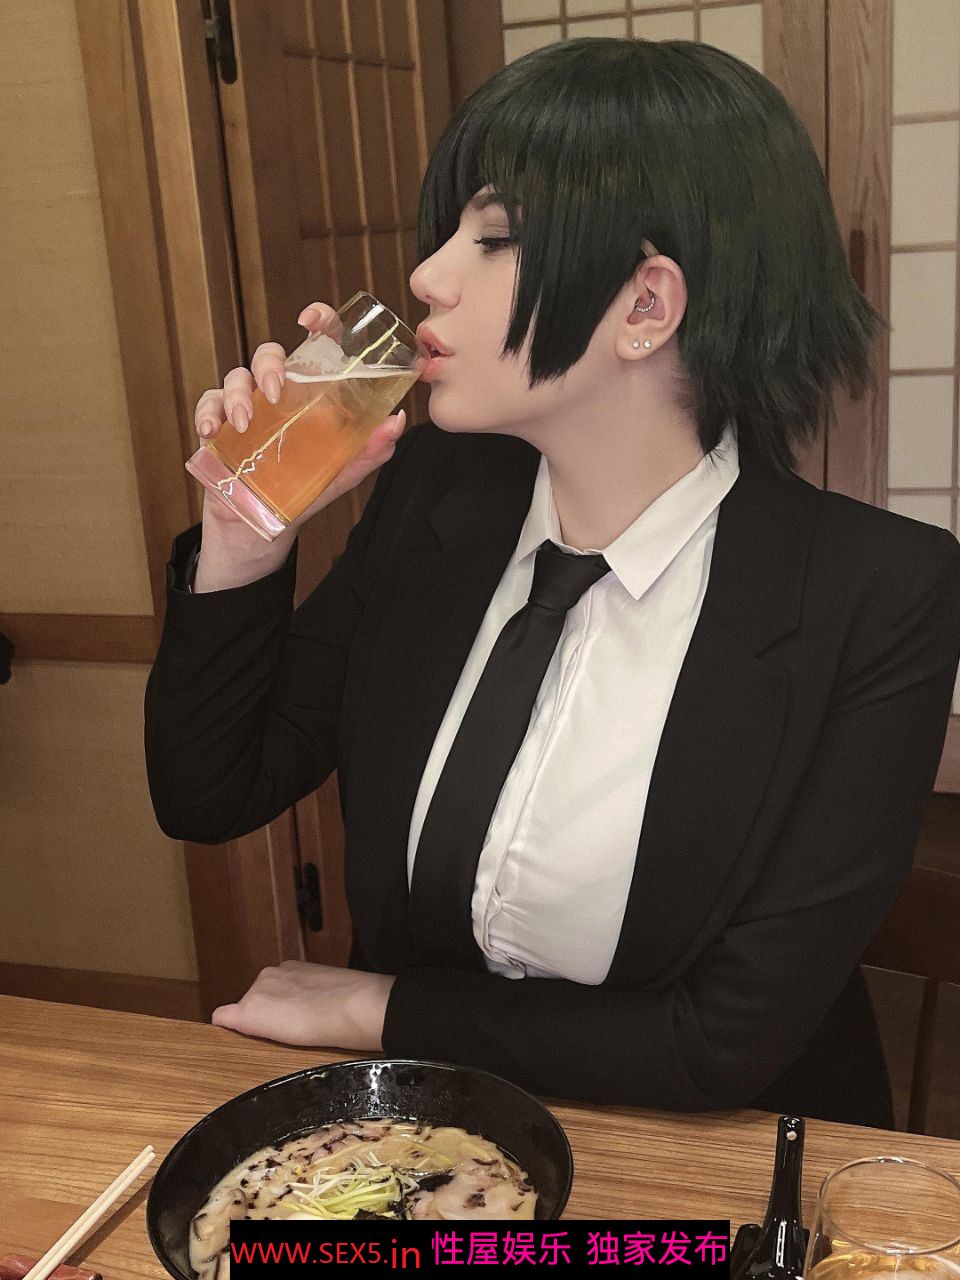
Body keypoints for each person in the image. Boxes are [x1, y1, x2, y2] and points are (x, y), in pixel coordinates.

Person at [145, 37, 960, 1127]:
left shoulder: (882, 594)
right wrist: (244, 535)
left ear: (645, 306)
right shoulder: (436, 500)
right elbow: (207, 792)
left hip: (708, 1160)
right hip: (432, 1139)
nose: (428, 274)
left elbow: (721, 1041)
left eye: (495, 238)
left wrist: (381, 1009)